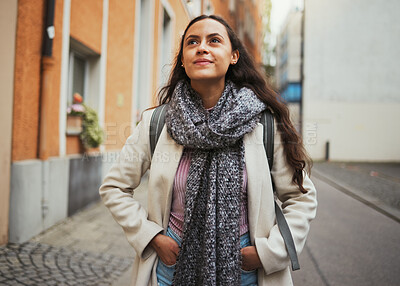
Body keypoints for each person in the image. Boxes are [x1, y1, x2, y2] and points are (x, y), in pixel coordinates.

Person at [99, 14, 317, 286]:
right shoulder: (157, 122)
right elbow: (114, 187)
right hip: (170, 269)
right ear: (183, 59)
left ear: (233, 56)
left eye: (214, 40)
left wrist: (267, 252)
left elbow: (301, 198)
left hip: (247, 270)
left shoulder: (264, 124)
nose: (202, 47)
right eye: (192, 42)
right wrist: (152, 237)